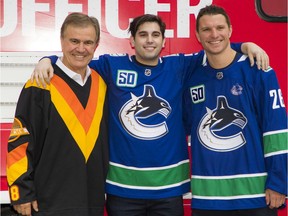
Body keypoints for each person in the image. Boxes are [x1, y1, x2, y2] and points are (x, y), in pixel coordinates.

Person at [31, 14, 269, 216]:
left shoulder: (179, 66)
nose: (149, 40)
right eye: (143, 34)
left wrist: (245, 45)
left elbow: (216, 45)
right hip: (123, 190)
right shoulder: (112, 66)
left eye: (155, 35)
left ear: (163, 41)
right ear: (132, 41)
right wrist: (47, 59)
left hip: (169, 190)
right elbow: (77, 58)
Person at [182, 5, 287, 216]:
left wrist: (278, 182)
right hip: (208, 198)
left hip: (255, 195)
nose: (214, 35)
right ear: (197, 35)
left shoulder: (259, 71)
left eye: (220, 28)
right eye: (206, 30)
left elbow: (276, 131)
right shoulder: (190, 74)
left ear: (230, 30)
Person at [6, 13, 109, 216]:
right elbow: (20, 142)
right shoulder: (40, 84)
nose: (81, 49)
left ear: (96, 45)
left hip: (93, 202)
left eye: (88, 42)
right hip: (49, 203)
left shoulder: (102, 83)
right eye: (74, 41)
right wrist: (21, 192)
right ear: (61, 41)